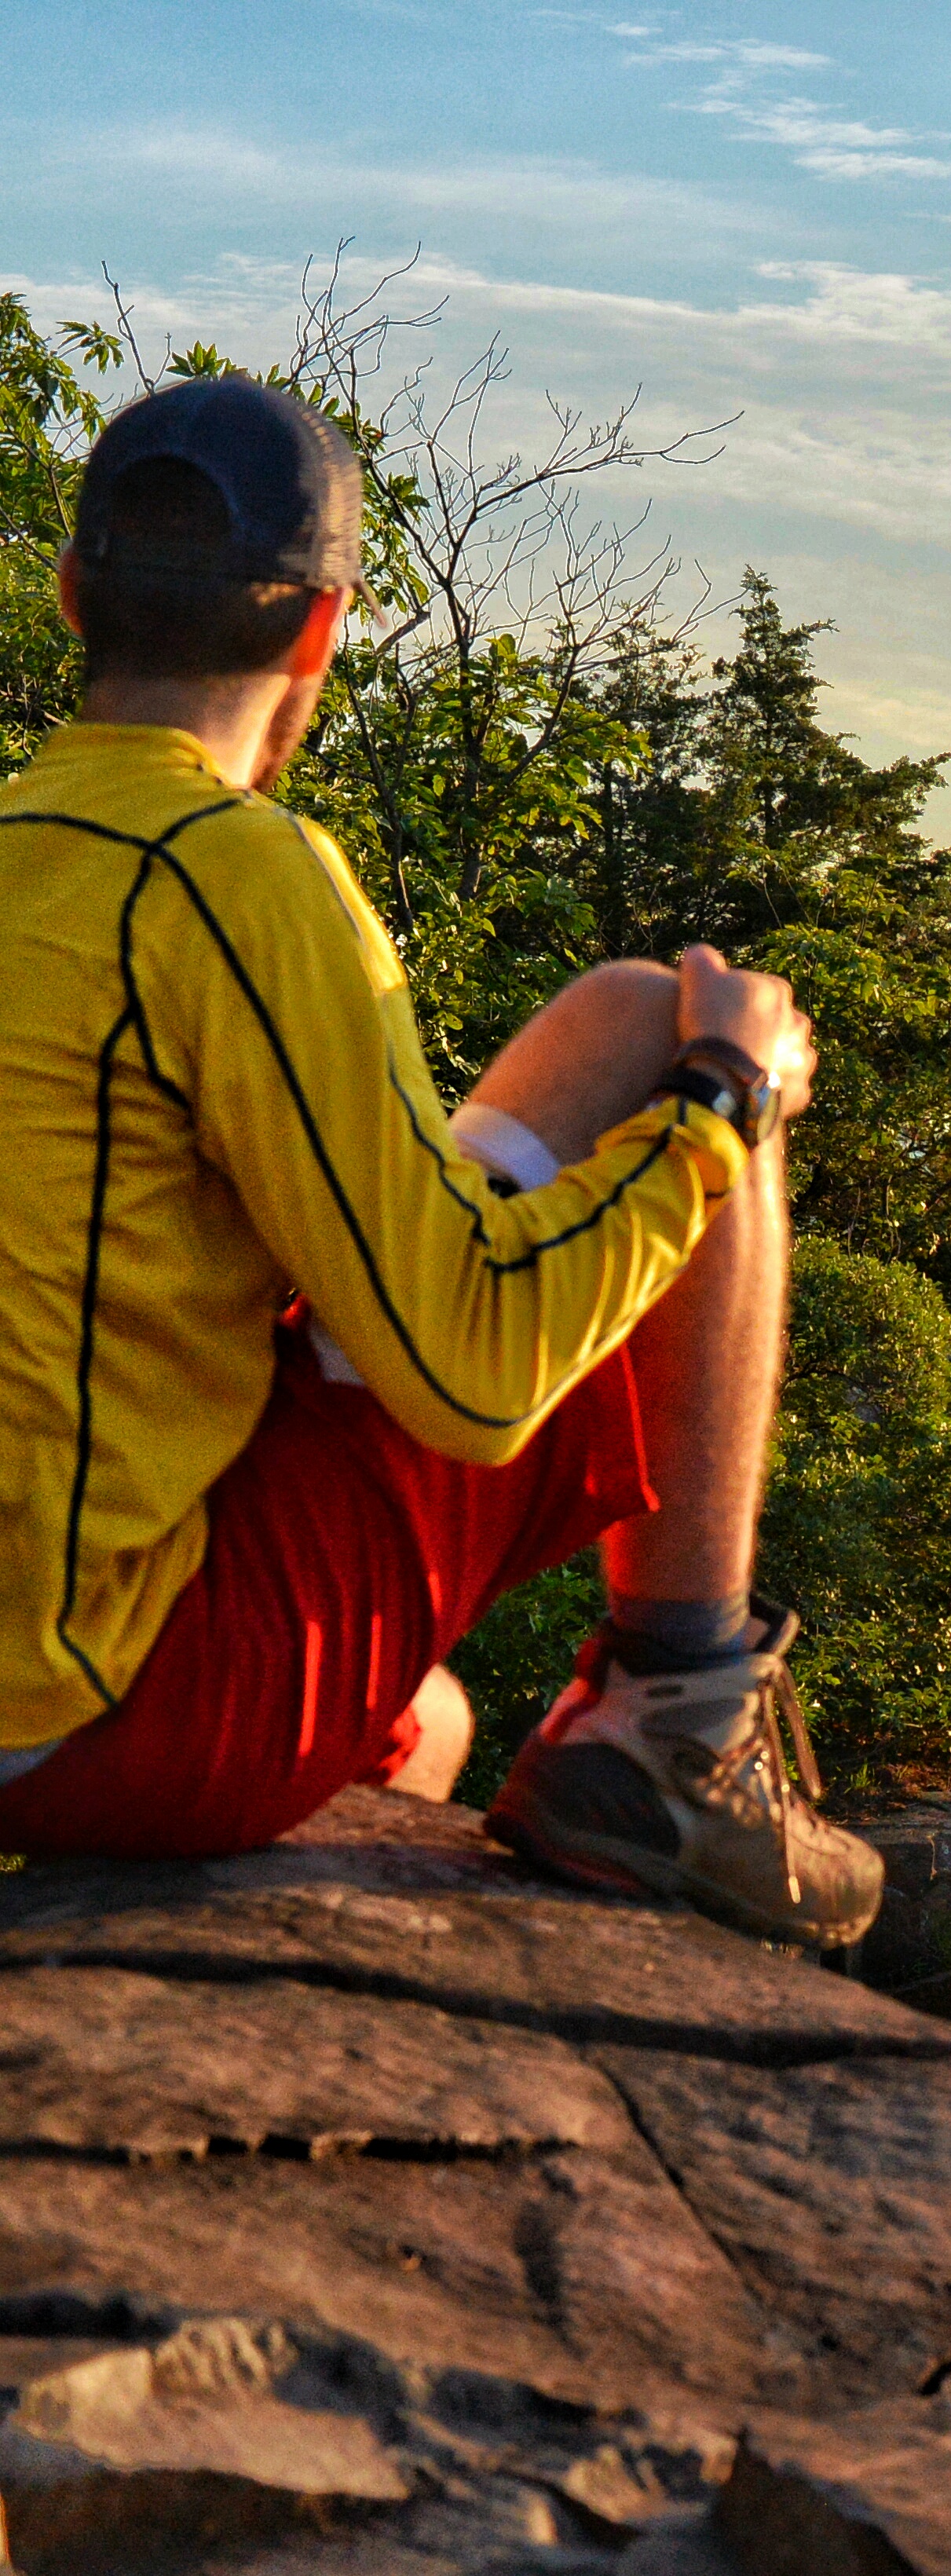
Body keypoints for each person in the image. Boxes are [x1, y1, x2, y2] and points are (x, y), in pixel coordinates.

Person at [0, 371, 880, 1948]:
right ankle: (683, 1723)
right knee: (661, 1024)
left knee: (434, 1726)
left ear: (74, 596)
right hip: (86, 1711)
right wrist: (721, 1105)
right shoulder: (222, 869)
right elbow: (467, 1377)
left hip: (68, 1654)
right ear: (323, 631)